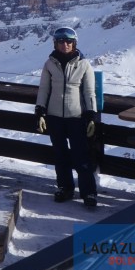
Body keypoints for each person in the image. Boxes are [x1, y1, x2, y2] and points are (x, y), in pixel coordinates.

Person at [35, 27, 100, 208]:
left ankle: (89, 192)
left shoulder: (83, 64)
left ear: (74, 43)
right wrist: (40, 111)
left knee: (81, 156)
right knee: (60, 154)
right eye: (61, 41)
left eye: (69, 41)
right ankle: (65, 187)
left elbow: (89, 92)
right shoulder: (49, 64)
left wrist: (91, 115)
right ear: (55, 43)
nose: (65, 44)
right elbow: (44, 89)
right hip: (54, 116)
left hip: (76, 117)